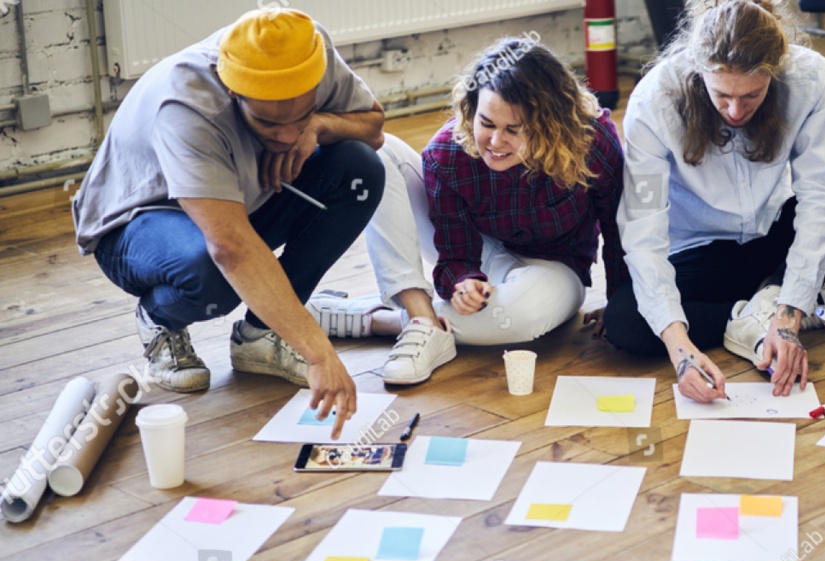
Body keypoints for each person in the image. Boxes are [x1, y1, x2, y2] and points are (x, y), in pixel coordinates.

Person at [72, 8, 385, 437]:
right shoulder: (186, 105)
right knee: (212, 274)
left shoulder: (308, 53)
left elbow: (373, 126)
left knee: (359, 169)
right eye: (269, 123)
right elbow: (230, 247)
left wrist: (320, 125)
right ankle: (160, 318)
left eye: (299, 117)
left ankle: (260, 337)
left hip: (234, 201)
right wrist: (317, 353)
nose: (288, 136)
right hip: (138, 224)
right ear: (234, 95)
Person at [304, 38, 626, 385]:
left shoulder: (593, 141)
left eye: (514, 130)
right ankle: (420, 317)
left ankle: (379, 319)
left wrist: (622, 301)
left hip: (553, 268)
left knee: (522, 318)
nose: (495, 141)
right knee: (376, 156)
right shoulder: (448, 153)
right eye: (486, 122)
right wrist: (462, 281)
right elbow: (455, 253)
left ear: (550, 125)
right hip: (478, 248)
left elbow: (618, 226)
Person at [605, 0, 825, 402]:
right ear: (698, 69)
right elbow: (643, 233)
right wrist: (680, 351)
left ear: (775, 71)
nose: (735, 109)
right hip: (702, 253)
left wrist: (785, 322)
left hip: (773, 235)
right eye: (722, 95)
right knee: (626, 322)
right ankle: (753, 312)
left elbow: (824, 197)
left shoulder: (809, 77)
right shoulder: (652, 103)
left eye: (752, 95)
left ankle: (781, 304)